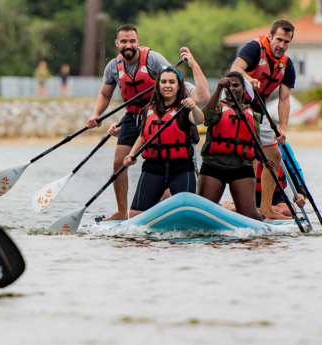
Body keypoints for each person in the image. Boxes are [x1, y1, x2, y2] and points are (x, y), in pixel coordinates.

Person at [86, 24, 209, 221]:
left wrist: (193, 78)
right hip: (133, 115)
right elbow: (104, 93)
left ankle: (165, 199)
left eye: (132, 41)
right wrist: (96, 114)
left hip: (159, 114)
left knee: (160, 158)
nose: (128, 45)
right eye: (124, 41)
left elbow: (173, 80)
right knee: (119, 161)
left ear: (138, 42)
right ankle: (121, 212)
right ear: (117, 43)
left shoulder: (153, 59)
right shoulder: (113, 66)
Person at [230, 19, 296, 220]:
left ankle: (266, 209)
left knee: (274, 156)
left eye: (286, 42)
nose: (281, 45)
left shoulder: (286, 65)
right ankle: (246, 208)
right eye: (279, 40)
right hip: (238, 108)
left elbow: (284, 99)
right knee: (246, 156)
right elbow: (235, 69)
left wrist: (283, 128)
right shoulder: (254, 49)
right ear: (270, 37)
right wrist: (248, 79)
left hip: (259, 112)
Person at [123, 67, 204, 217]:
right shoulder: (149, 109)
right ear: (158, 85)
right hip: (153, 167)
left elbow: (199, 120)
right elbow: (143, 136)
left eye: (172, 82)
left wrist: (194, 106)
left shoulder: (185, 109)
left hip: (181, 168)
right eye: (164, 81)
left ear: (179, 85)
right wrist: (131, 154)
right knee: (135, 214)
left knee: (186, 215)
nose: (167, 85)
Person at [197, 73, 271, 221]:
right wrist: (218, 89)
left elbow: (254, 144)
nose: (231, 89)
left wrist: (265, 160)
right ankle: (220, 210)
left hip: (242, 168)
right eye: (228, 86)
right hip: (214, 166)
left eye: (235, 85)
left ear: (244, 88)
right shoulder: (218, 106)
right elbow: (207, 117)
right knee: (202, 213)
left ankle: (260, 215)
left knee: (250, 217)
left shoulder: (253, 114)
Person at [220, 163, 305, 217]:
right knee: (232, 208)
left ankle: (255, 211)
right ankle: (254, 211)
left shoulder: (281, 145)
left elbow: (295, 170)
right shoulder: (249, 143)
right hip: (251, 193)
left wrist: (301, 193)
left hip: (275, 195)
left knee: (289, 210)